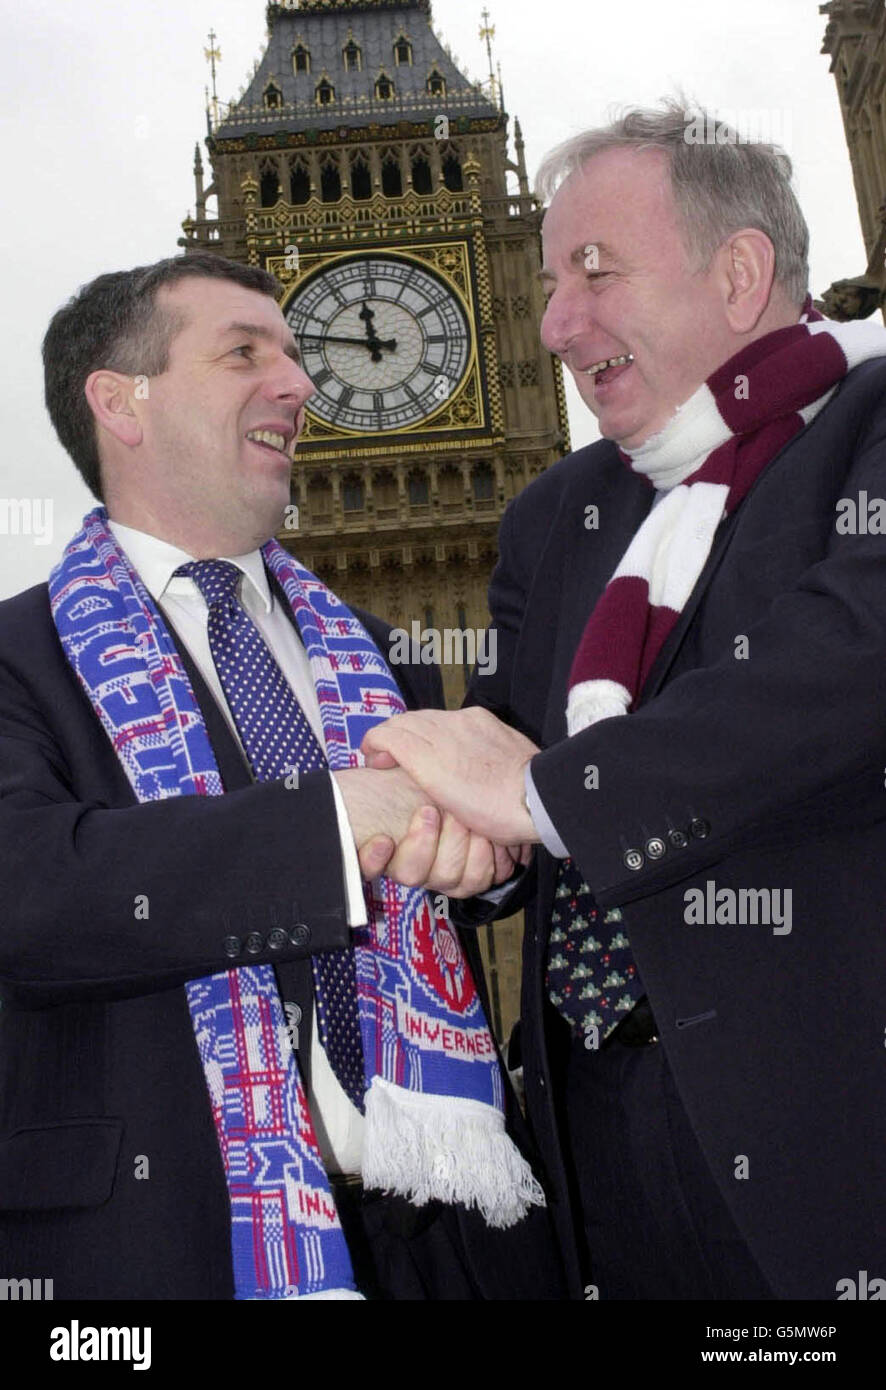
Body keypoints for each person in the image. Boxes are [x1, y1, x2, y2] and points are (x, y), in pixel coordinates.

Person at [361, 101, 886, 1300]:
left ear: (740, 272)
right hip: (598, 1149)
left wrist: (541, 791)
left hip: (832, 1132)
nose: (554, 323)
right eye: (546, 284)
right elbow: (499, 762)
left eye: (594, 272)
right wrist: (461, 840)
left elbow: (846, 669)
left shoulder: (868, 428)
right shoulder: (558, 517)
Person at [0, 253, 563, 1300]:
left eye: (298, 357)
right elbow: (31, 894)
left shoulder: (382, 655)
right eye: (246, 353)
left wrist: (493, 851)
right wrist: (335, 824)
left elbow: (468, 889)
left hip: (454, 1230)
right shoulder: (16, 661)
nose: (304, 385)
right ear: (121, 402)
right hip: (172, 1241)